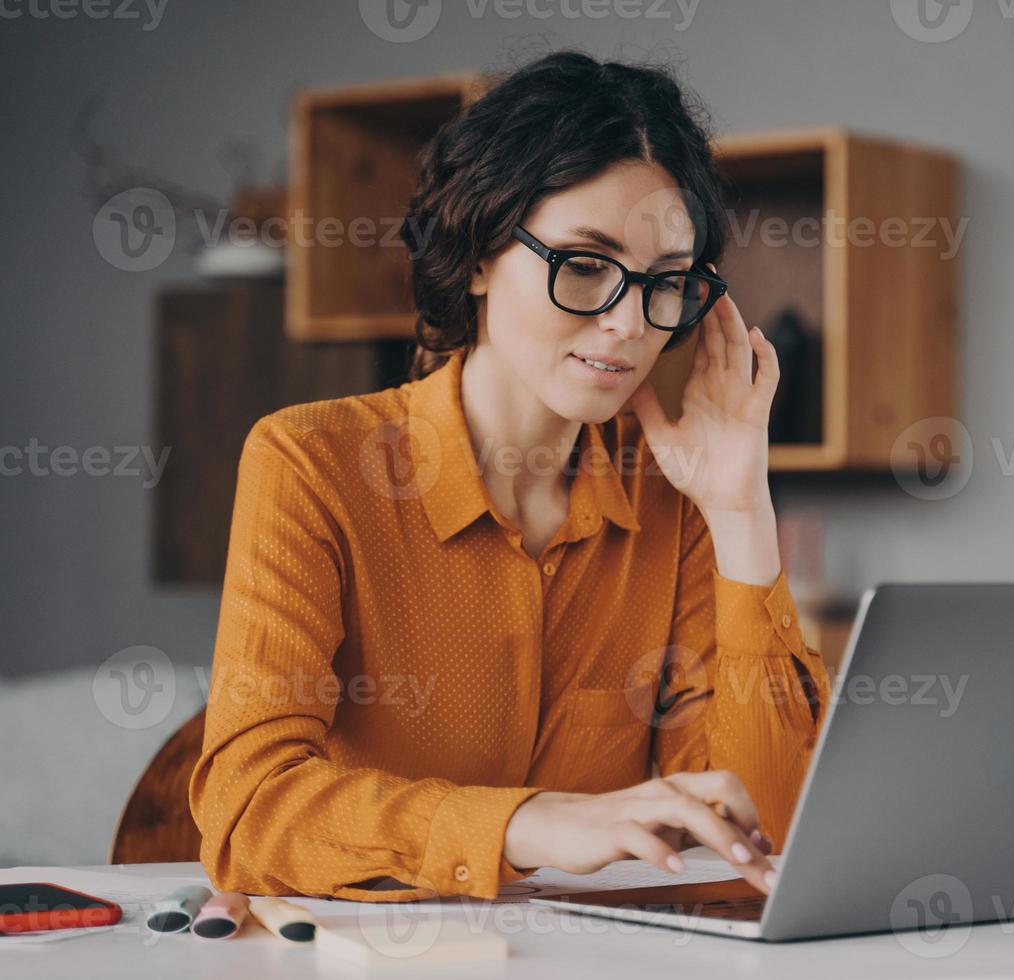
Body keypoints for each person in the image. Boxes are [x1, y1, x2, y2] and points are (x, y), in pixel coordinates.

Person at [187, 51, 831, 903]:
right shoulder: (311, 464)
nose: (629, 322)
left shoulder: (675, 504)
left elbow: (764, 842)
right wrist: (534, 823)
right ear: (481, 254)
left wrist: (741, 507)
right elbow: (250, 808)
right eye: (587, 265)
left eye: (666, 283)